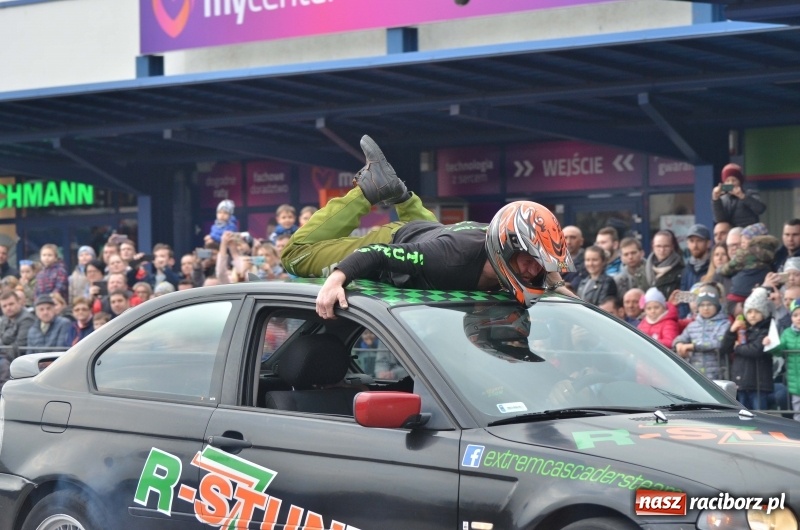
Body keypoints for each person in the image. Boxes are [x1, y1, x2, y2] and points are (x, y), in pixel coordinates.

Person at [282, 135, 575, 318]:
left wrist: (562, 288)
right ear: (505, 249)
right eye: (529, 262)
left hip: (430, 231)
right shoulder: (449, 258)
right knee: (293, 256)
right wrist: (334, 282)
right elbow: (375, 254)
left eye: (540, 264)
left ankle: (402, 196)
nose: (534, 272)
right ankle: (368, 189)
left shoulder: (510, 244)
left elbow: (545, 271)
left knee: (434, 245)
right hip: (401, 238)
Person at [721, 287, 774, 410]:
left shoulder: (766, 330)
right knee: (743, 415)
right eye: (749, 312)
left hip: (759, 384)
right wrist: (731, 331)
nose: (752, 315)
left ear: (764, 313)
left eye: (756, 311)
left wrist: (738, 347)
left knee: (760, 416)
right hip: (742, 383)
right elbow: (724, 348)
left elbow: (756, 350)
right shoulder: (742, 330)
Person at [672, 290, 730, 379]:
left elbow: (719, 343)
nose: (705, 308)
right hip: (695, 374)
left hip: (718, 374)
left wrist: (692, 346)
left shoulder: (725, 324)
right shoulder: (692, 325)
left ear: (717, 306)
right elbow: (680, 338)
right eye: (702, 305)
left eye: (709, 305)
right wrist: (678, 344)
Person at [718, 222, 778, 307]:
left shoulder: (745, 254)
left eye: (743, 242)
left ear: (753, 240)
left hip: (740, 291)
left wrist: (720, 269)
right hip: (760, 292)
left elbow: (730, 267)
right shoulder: (771, 253)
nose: (741, 245)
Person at [765, 298, 800, 420]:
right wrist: (771, 345)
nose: (798, 318)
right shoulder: (787, 333)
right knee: (798, 411)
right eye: (795, 315)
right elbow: (779, 351)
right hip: (796, 383)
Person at [711, 163, 767, 228]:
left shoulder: (750, 193)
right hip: (732, 235)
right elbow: (720, 220)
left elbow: (760, 209)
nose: (731, 183)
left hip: (748, 233)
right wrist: (716, 199)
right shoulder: (723, 199)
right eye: (727, 181)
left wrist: (742, 196)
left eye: (734, 180)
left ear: (740, 181)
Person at [678, 224, 712, 318]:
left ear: (708, 243)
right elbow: (683, 299)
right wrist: (684, 319)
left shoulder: (713, 266)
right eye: (691, 241)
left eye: (699, 241)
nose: (695, 245)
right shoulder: (686, 269)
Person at [644, 230, 684, 300]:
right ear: (653, 246)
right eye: (658, 246)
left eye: (666, 246)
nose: (662, 250)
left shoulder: (681, 272)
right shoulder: (644, 268)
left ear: (672, 247)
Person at [0, 291, 36, 360]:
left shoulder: (27, 319)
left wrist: (2, 351)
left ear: (19, 302)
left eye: (11, 304)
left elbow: (20, 345)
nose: (8, 308)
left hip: (19, 358)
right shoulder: (4, 319)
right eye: (4, 306)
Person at [561, 225, 586, 291]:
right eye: (565, 238)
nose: (568, 242)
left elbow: (573, 286)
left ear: (581, 241)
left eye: (573, 238)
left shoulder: (587, 260)